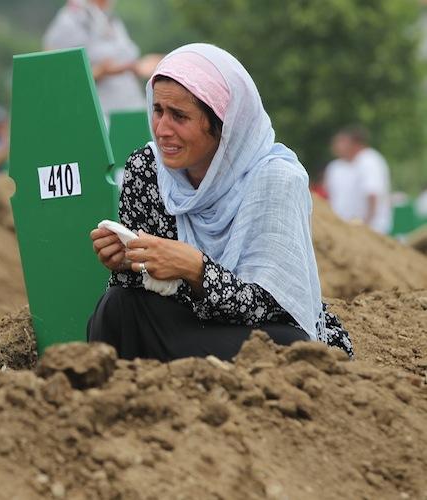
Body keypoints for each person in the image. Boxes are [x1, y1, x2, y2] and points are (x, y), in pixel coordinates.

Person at [88, 44, 353, 362]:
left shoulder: (274, 180)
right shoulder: (147, 168)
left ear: (223, 124)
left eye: (179, 116)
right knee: (117, 305)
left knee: (292, 348)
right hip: (182, 325)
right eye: (158, 111)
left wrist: (197, 270)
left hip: (255, 331)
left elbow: (276, 310)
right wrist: (125, 262)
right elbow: (145, 291)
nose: (162, 130)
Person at [43, 0, 159, 120]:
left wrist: (142, 66)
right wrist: (101, 71)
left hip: (132, 108)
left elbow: (126, 59)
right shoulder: (70, 20)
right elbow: (57, 77)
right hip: (100, 116)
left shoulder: (110, 18)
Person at [329, 126, 392, 234]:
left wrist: (365, 225)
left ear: (355, 143)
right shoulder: (336, 167)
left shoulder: (369, 161)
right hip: (345, 229)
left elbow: (372, 194)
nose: (336, 146)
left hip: (371, 230)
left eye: (342, 142)